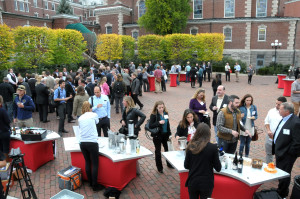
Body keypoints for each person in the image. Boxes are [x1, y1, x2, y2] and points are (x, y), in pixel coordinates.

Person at [184, 123, 221, 199]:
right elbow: (218, 168)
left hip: (193, 181)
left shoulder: (190, 145)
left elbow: (186, 166)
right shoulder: (213, 148)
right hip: (206, 183)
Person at [272, 102, 300, 198]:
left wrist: (288, 154)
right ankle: (280, 189)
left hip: (286, 155)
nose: (279, 110)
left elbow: (297, 142)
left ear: (287, 111)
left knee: (284, 174)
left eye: (280, 109)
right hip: (280, 152)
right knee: (281, 172)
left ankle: (282, 193)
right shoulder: (285, 118)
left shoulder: (295, 122)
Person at [77, 101, 103, 191]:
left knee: (87, 162)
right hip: (92, 142)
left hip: (82, 143)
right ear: (90, 108)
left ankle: (90, 183)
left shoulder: (80, 118)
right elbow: (97, 122)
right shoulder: (94, 115)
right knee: (95, 164)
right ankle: (95, 186)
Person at [149, 101, 173, 173]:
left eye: (162, 107)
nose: (161, 109)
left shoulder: (166, 113)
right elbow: (150, 125)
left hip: (165, 135)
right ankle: (159, 167)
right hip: (157, 136)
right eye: (159, 107)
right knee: (158, 151)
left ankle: (169, 164)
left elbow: (168, 124)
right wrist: (159, 122)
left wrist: (170, 133)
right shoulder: (154, 115)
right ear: (156, 107)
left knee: (167, 150)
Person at [264, 96, 286, 163]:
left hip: (280, 138)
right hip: (270, 136)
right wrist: (268, 130)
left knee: (279, 155)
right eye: (276, 103)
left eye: (279, 104)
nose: (276, 105)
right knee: (268, 154)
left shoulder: (286, 113)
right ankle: (268, 167)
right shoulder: (271, 111)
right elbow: (266, 121)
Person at [0, 96, 11, 162]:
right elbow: (7, 121)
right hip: (4, 132)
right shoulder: (2, 110)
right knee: (5, 150)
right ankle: (6, 165)